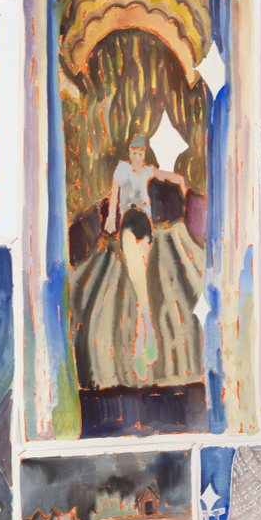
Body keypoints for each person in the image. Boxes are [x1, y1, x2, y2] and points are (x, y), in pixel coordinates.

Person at [105, 133, 188, 377]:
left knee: (140, 279)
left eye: (140, 153)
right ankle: (148, 334)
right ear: (129, 153)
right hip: (128, 221)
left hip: (145, 224)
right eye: (134, 153)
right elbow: (114, 194)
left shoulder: (149, 171)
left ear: (144, 154)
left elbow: (172, 177)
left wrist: (182, 186)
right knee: (137, 273)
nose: (137, 157)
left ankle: (140, 347)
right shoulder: (122, 169)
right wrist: (110, 217)